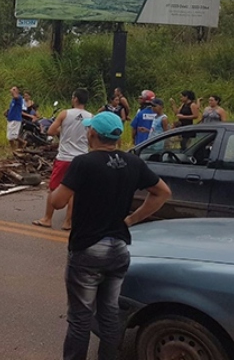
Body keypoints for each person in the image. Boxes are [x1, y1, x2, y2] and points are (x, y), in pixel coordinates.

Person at [49, 111, 171, 360]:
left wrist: (52, 192)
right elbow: (163, 192)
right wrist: (132, 219)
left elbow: (59, 202)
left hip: (88, 249)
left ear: (92, 134)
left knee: (80, 319)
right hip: (118, 248)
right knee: (109, 314)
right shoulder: (133, 162)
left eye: (88, 130)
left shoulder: (84, 163)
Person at [33, 88, 93, 231]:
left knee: (54, 188)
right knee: (74, 191)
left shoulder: (65, 113)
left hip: (64, 157)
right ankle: (68, 222)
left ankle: (47, 218)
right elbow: (91, 137)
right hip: (81, 158)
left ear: (76, 99)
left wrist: (64, 132)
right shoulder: (90, 116)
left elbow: (51, 131)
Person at [5, 86, 24, 150]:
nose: (12, 91)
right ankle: (14, 150)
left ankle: (23, 142)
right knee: (9, 137)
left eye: (14, 89)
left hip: (16, 119)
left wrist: (13, 92)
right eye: (12, 89)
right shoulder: (13, 100)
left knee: (14, 136)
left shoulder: (19, 98)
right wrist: (7, 112)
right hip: (10, 118)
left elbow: (16, 96)